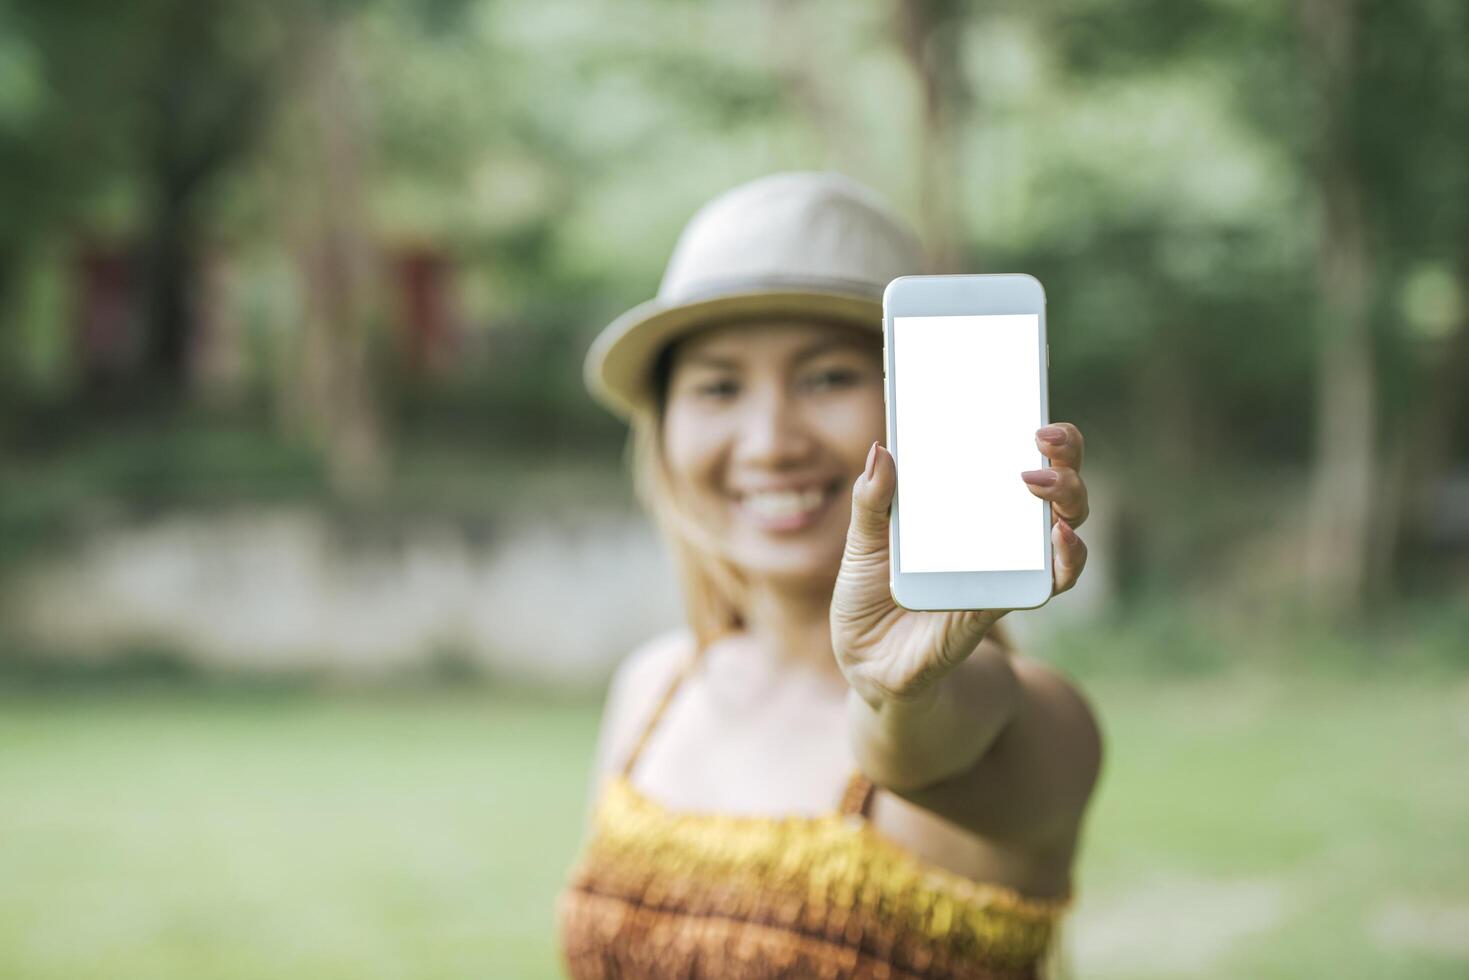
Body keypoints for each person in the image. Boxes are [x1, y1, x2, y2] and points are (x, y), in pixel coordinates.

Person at [556, 171, 1102, 979]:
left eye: (828, 378)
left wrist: (895, 690)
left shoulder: (1020, 719)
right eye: (717, 386)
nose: (770, 441)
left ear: (928, 404)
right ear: (663, 428)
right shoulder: (651, 689)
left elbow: (914, 743)